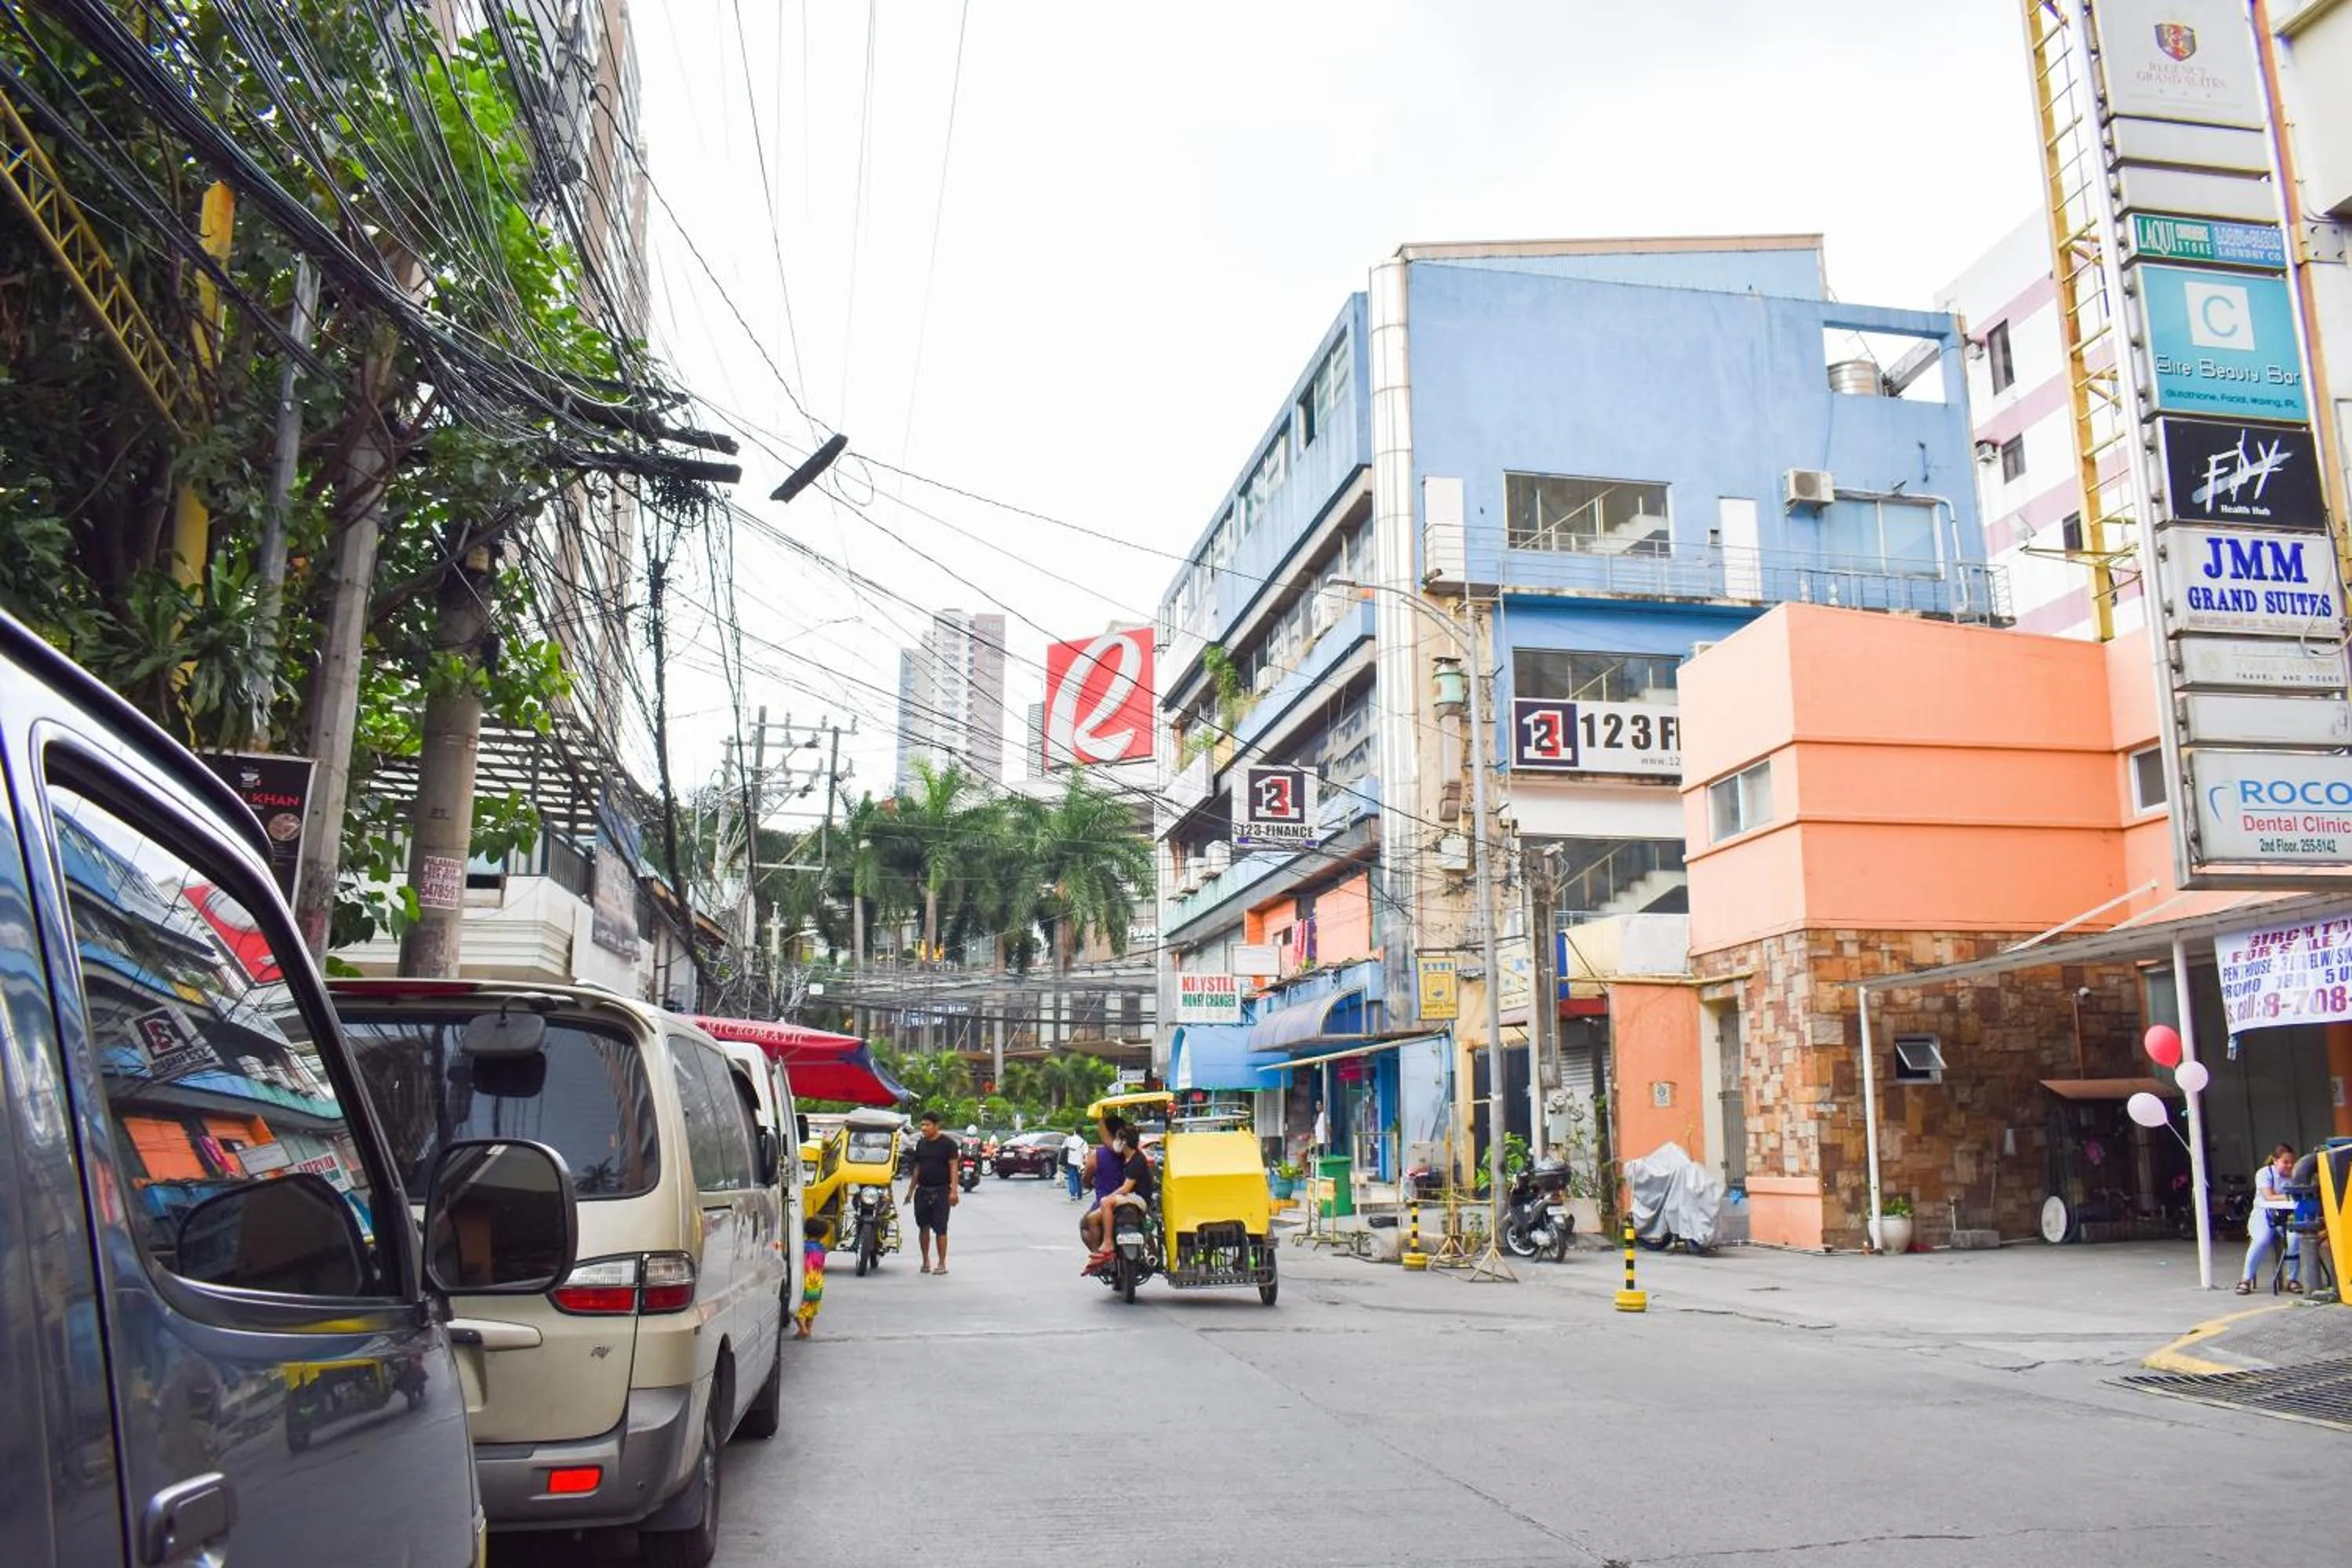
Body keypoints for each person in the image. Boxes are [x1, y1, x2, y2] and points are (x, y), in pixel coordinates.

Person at [1083, 1124, 1158, 1275]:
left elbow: (1125, 1188)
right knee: (1091, 1219)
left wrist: (1109, 1197)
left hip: (1139, 1200)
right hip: (1132, 1199)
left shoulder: (1137, 1160)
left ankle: (1108, 1242)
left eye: (1118, 1138)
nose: (1115, 1142)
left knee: (1106, 1202)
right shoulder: (1128, 1157)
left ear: (1124, 1142)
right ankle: (1100, 1257)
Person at [2237, 1142, 2302, 1295]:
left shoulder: (2296, 1175)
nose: (2289, 1166)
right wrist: (2290, 1196)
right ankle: (2246, 1279)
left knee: (2294, 1239)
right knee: (2262, 1239)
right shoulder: (2264, 1173)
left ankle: (2291, 1279)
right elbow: (2269, 1196)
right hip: (2263, 1214)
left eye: (2292, 1162)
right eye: (2285, 1162)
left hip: (2287, 1215)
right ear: (2275, 1160)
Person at [903, 1111, 962, 1275]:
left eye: (927, 1125)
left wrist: (954, 1192)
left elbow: (954, 1168)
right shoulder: (921, 1144)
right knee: (923, 1227)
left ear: (937, 1126)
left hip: (941, 1191)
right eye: (922, 1125)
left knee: (941, 1229)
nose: (924, 1128)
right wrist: (910, 1191)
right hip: (922, 1191)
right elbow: (917, 1168)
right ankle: (925, 1261)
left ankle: (942, 1263)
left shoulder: (949, 1145)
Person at [1079, 1114, 1129, 1256]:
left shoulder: (1096, 1155)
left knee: (1084, 1226)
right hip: (1131, 1200)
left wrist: (1088, 1184)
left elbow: (1086, 1179)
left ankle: (1098, 1256)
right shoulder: (1130, 1152)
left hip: (1105, 1202)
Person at [793, 1217, 826, 1338]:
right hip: (818, 1281)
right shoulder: (822, 1248)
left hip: (805, 1281)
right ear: (823, 1234)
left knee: (797, 1308)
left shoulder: (804, 1247)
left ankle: (803, 1330)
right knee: (811, 1308)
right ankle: (808, 1329)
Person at [1063, 1127, 1087, 1201]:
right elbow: (1086, 1154)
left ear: (1075, 1132)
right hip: (1079, 1163)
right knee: (1079, 1179)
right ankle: (1079, 1195)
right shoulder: (1084, 1142)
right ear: (1082, 1133)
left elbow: (1063, 1148)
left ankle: (1073, 1195)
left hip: (1070, 1161)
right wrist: (1086, 1164)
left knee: (1071, 1179)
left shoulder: (1068, 1139)